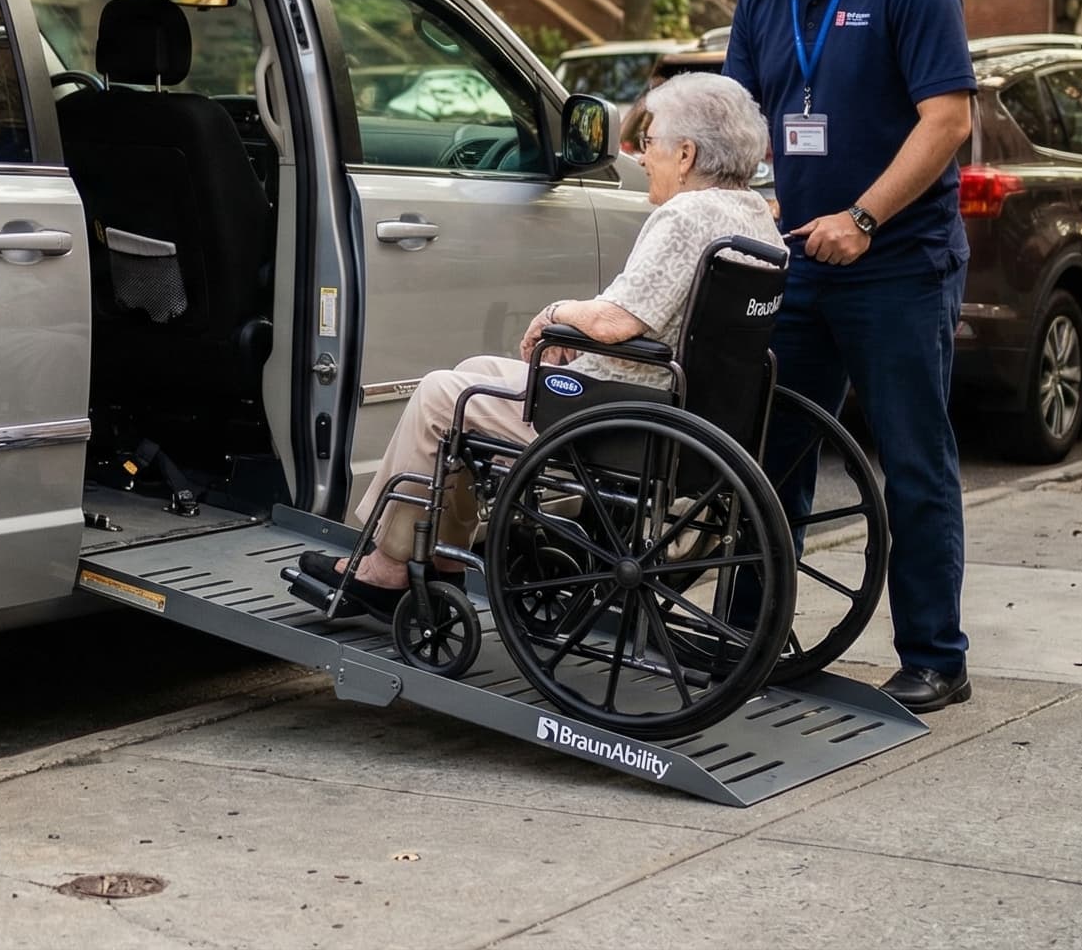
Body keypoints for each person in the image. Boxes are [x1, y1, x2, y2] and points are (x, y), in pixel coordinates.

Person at [291, 72, 778, 615]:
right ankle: (446, 560)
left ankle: (385, 568)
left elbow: (617, 323)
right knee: (474, 370)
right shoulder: (753, 214)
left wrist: (554, 316)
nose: (642, 158)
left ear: (686, 154)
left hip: (617, 413)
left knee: (440, 396)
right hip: (687, 413)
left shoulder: (685, 214)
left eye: (650, 143)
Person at [724, 0, 977, 713]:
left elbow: (946, 121)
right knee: (765, 455)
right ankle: (744, 641)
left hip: (897, 266)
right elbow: (744, 127)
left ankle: (936, 657)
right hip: (793, 265)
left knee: (913, 459)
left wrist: (865, 217)